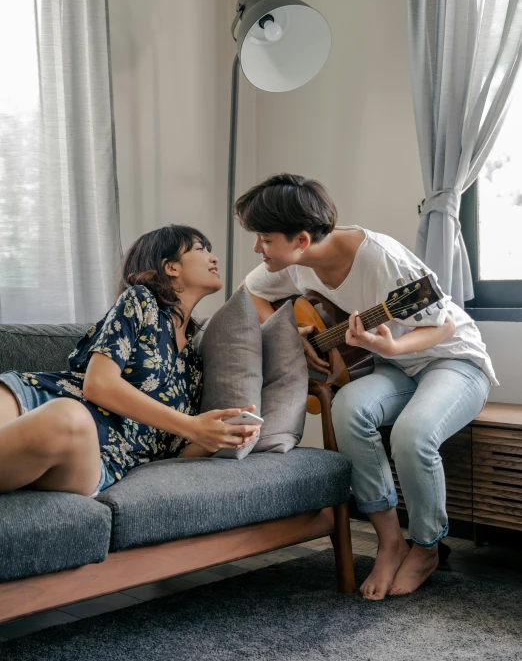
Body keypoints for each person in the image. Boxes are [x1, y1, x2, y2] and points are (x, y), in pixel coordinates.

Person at [236, 173, 496, 600]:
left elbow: (443, 323)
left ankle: (427, 547)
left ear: (301, 239)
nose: (257, 249)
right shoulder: (297, 264)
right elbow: (251, 292)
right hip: (396, 368)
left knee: (413, 435)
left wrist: (394, 345)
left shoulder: (382, 258)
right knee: (348, 408)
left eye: (264, 239)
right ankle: (390, 542)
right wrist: (291, 336)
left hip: (453, 360)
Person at [0, 225, 261, 498]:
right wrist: (191, 425)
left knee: (68, 420)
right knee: (66, 414)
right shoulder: (141, 301)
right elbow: (98, 384)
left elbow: (174, 449)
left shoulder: (193, 362)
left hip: (97, 457)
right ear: (171, 267)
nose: (214, 257)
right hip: (35, 396)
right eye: (200, 249)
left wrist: (219, 435)